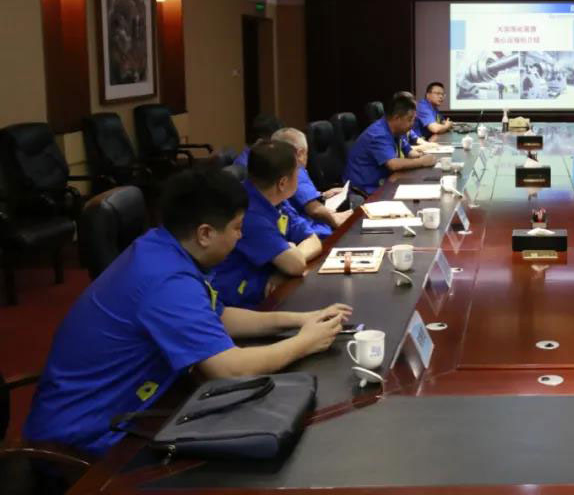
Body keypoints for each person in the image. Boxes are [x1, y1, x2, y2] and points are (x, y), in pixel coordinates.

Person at [23, 169, 351, 456]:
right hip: (90, 438)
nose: (240, 236)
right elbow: (229, 370)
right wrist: (304, 343)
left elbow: (217, 316)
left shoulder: (163, 247)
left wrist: (298, 320)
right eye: (237, 228)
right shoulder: (165, 280)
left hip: (142, 406)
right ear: (205, 233)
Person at [212, 141, 323, 308]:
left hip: (268, 290)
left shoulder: (275, 200)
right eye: (297, 173)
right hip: (242, 305)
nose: (299, 177)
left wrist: (285, 265)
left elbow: (313, 240)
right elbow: (296, 265)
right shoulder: (248, 214)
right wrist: (289, 259)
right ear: (282, 183)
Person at [344, 93, 436, 195]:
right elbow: (393, 164)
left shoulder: (397, 131)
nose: (412, 124)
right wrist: (422, 162)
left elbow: (410, 153)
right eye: (410, 120)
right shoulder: (378, 133)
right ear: (397, 118)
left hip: (385, 182)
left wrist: (426, 157)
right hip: (364, 190)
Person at [271, 127, 351, 236]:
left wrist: (322, 195)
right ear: (300, 153)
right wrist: (335, 220)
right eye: (307, 153)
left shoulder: (275, 172)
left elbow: (297, 199)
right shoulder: (296, 170)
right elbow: (315, 210)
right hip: (318, 234)